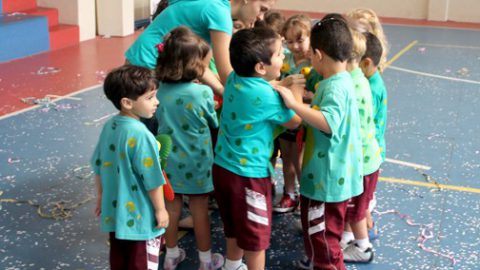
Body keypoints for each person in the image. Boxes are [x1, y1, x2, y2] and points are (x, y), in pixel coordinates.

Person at [275, 16, 363, 270]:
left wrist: (295, 104)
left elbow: (328, 122)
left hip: (326, 182)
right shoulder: (341, 81)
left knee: (323, 240)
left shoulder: (335, 87)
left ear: (318, 54)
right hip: (333, 177)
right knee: (324, 240)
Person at [213, 27, 303, 270]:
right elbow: (294, 121)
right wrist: (294, 93)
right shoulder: (265, 95)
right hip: (249, 178)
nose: (284, 56)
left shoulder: (234, 78)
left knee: (234, 227)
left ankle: (232, 266)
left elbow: (261, 89)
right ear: (261, 67)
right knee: (255, 240)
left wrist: (277, 84)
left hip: (222, 169)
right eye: (278, 54)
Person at [154, 27, 223, 270]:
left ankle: (171, 255)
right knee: (199, 210)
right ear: (193, 65)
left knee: (172, 209)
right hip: (198, 160)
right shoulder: (202, 91)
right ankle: (205, 261)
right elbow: (212, 122)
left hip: (169, 160)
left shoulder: (161, 90)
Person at [91, 65, 169, 270]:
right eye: (150, 97)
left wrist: (101, 197)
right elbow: (152, 179)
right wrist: (160, 210)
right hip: (141, 220)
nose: (157, 102)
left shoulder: (110, 126)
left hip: (116, 216)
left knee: (120, 262)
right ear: (127, 102)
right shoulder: (142, 135)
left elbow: (98, 166)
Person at [125, 0, 276, 96]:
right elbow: (227, 74)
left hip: (137, 61)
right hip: (148, 68)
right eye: (262, 9)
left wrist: (221, 90)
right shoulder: (220, 14)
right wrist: (263, 88)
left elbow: (199, 65)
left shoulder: (213, 4)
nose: (261, 17)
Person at [340, 29, 382, 263]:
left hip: (361, 162)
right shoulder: (361, 79)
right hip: (369, 159)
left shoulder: (350, 85)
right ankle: (347, 237)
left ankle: (363, 248)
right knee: (354, 206)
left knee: (356, 209)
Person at [273, 14, 312, 213]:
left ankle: (305, 196)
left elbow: (316, 92)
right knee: (285, 156)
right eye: (290, 42)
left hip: (303, 119)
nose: (295, 46)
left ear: (309, 37)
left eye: (300, 40)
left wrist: (304, 95)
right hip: (284, 116)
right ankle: (289, 193)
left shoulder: (314, 62)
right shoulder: (285, 58)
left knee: (299, 159)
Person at [360, 31, 388, 239]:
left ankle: (360, 238)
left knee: (361, 199)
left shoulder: (370, 88)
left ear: (366, 63)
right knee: (362, 199)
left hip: (368, 152)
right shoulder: (372, 81)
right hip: (372, 149)